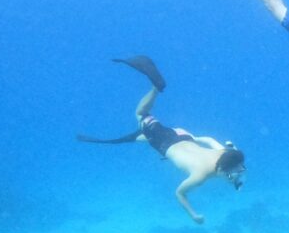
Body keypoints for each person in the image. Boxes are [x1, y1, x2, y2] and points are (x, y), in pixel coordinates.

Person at [77, 56, 245, 224]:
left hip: (182, 134)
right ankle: (155, 89)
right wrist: (193, 215)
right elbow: (179, 193)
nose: (236, 175)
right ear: (223, 169)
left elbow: (209, 140)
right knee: (141, 115)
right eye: (233, 174)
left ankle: (138, 135)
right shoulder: (200, 176)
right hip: (164, 141)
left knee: (143, 136)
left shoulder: (224, 152)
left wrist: (196, 138)